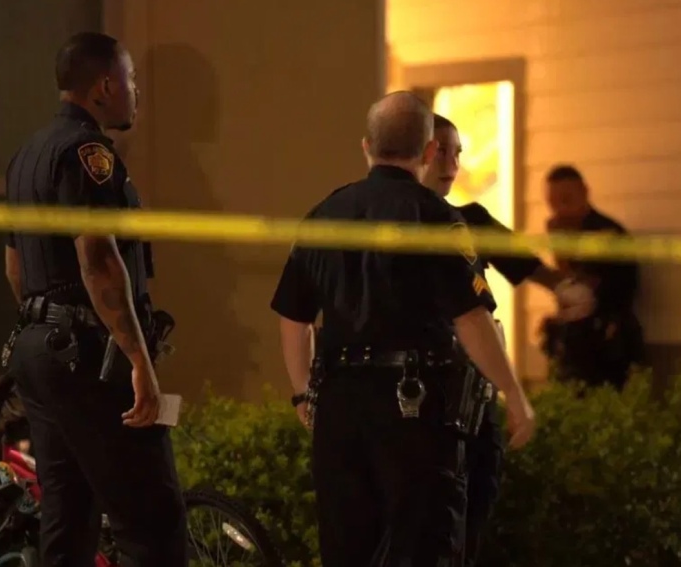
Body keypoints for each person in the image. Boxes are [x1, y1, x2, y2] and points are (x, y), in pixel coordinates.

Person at [270, 91, 537, 567]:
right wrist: (513, 393)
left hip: (339, 407)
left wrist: (301, 395)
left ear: (366, 146)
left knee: (347, 547)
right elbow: (472, 318)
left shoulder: (324, 214)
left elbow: (294, 319)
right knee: (423, 545)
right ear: (429, 151)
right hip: (416, 410)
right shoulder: (435, 218)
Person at [2, 32, 186, 567]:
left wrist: (44, 321)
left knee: (68, 517)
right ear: (104, 86)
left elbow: (15, 266)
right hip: (86, 353)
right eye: (130, 80)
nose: (135, 93)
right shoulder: (88, 153)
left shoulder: (25, 156)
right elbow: (99, 259)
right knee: (151, 519)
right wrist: (137, 360)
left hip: (39, 349)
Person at [420, 114, 596, 566]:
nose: (451, 163)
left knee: (473, 513)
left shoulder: (470, 219)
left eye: (458, 152)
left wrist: (562, 287)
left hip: (473, 394)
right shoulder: (387, 220)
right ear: (417, 151)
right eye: (441, 150)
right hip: (417, 395)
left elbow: (522, 262)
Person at [541, 164, 645, 389]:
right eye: (553, 203)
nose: (559, 209)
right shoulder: (564, 232)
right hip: (574, 344)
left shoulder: (605, 233)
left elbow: (586, 289)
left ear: (584, 193)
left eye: (566, 200)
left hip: (607, 345)